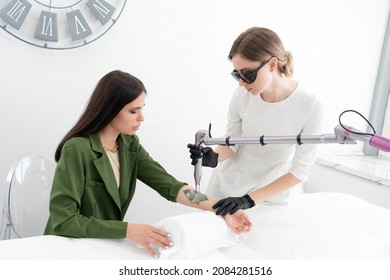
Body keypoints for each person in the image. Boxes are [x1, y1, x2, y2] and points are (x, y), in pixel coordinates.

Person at [44, 70, 252, 257]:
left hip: (100, 247)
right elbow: (64, 221)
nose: (141, 118)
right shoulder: (77, 149)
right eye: (133, 111)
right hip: (67, 248)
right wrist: (128, 230)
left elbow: (171, 187)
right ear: (110, 110)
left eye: (141, 109)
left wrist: (223, 208)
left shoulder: (128, 145)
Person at [188, 27, 324, 216]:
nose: (242, 83)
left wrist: (248, 200)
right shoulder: (241, 95)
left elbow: (300, 171)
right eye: (237, 74)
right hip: (229, 184)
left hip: (271, 193)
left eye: (248, 74)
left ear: (272, 64)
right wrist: (213, 158)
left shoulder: (309, 105)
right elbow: (232, 142)